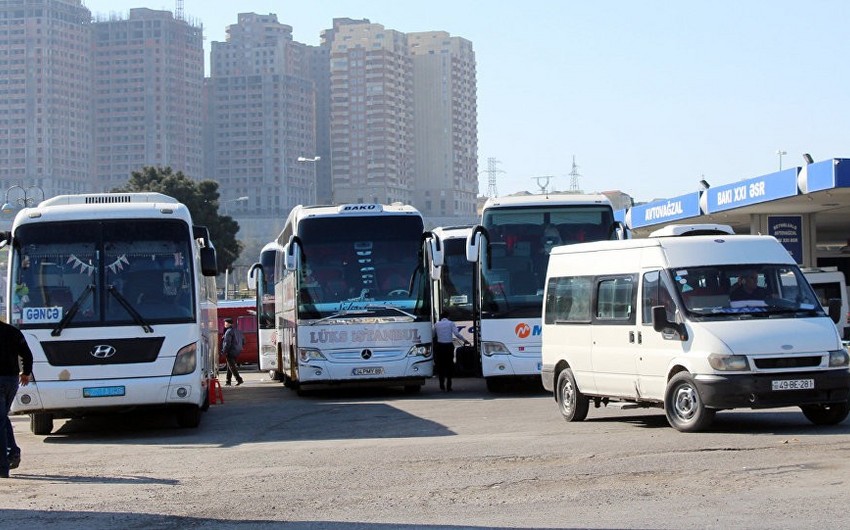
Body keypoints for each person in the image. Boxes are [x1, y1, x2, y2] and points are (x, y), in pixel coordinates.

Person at [1, 319, 34, 478]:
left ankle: (4, 466)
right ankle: (12, 452)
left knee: (0, 420)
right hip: (11, 380)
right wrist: (26, 373)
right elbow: (27, 354)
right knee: (2, 417)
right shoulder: (13, 331)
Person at [433, 315, 469, 392]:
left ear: (440, 317)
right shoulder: (451, 323)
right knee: (449, 364)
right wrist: (464, 340)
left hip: (440, 346)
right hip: (449, 346)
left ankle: (441, 384)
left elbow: (433, 334)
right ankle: (449, 385)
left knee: (441, 365)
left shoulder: (436, 324)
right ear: (448, 317)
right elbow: (456, 334)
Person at [221, 317, 244, 387]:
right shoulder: (237, 330)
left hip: (230, 351)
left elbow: (227, 343)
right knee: (229, 366)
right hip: (237, 350)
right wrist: (239, 347)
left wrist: (223, 351)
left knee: (232, 366)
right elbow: (243, 341)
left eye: (225, 323)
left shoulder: (228, 332)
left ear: (228, 323)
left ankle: (239, 379)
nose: (224, 324)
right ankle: (228, 381)